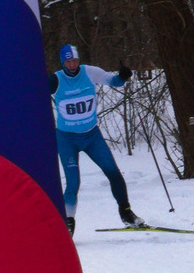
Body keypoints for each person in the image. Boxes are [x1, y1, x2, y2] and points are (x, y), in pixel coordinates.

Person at [52, 43, 139, 232]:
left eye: (75, 60)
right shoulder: (56, 80)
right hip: (67, 139)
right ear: (63, 62)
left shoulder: (90, 72)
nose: (72, 65)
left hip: (92, 135)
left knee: (113, 172)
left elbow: (113, 81)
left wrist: (123, 76)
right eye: (68, 62)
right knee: (73, 182)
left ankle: (126, 213)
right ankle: (68, 222)